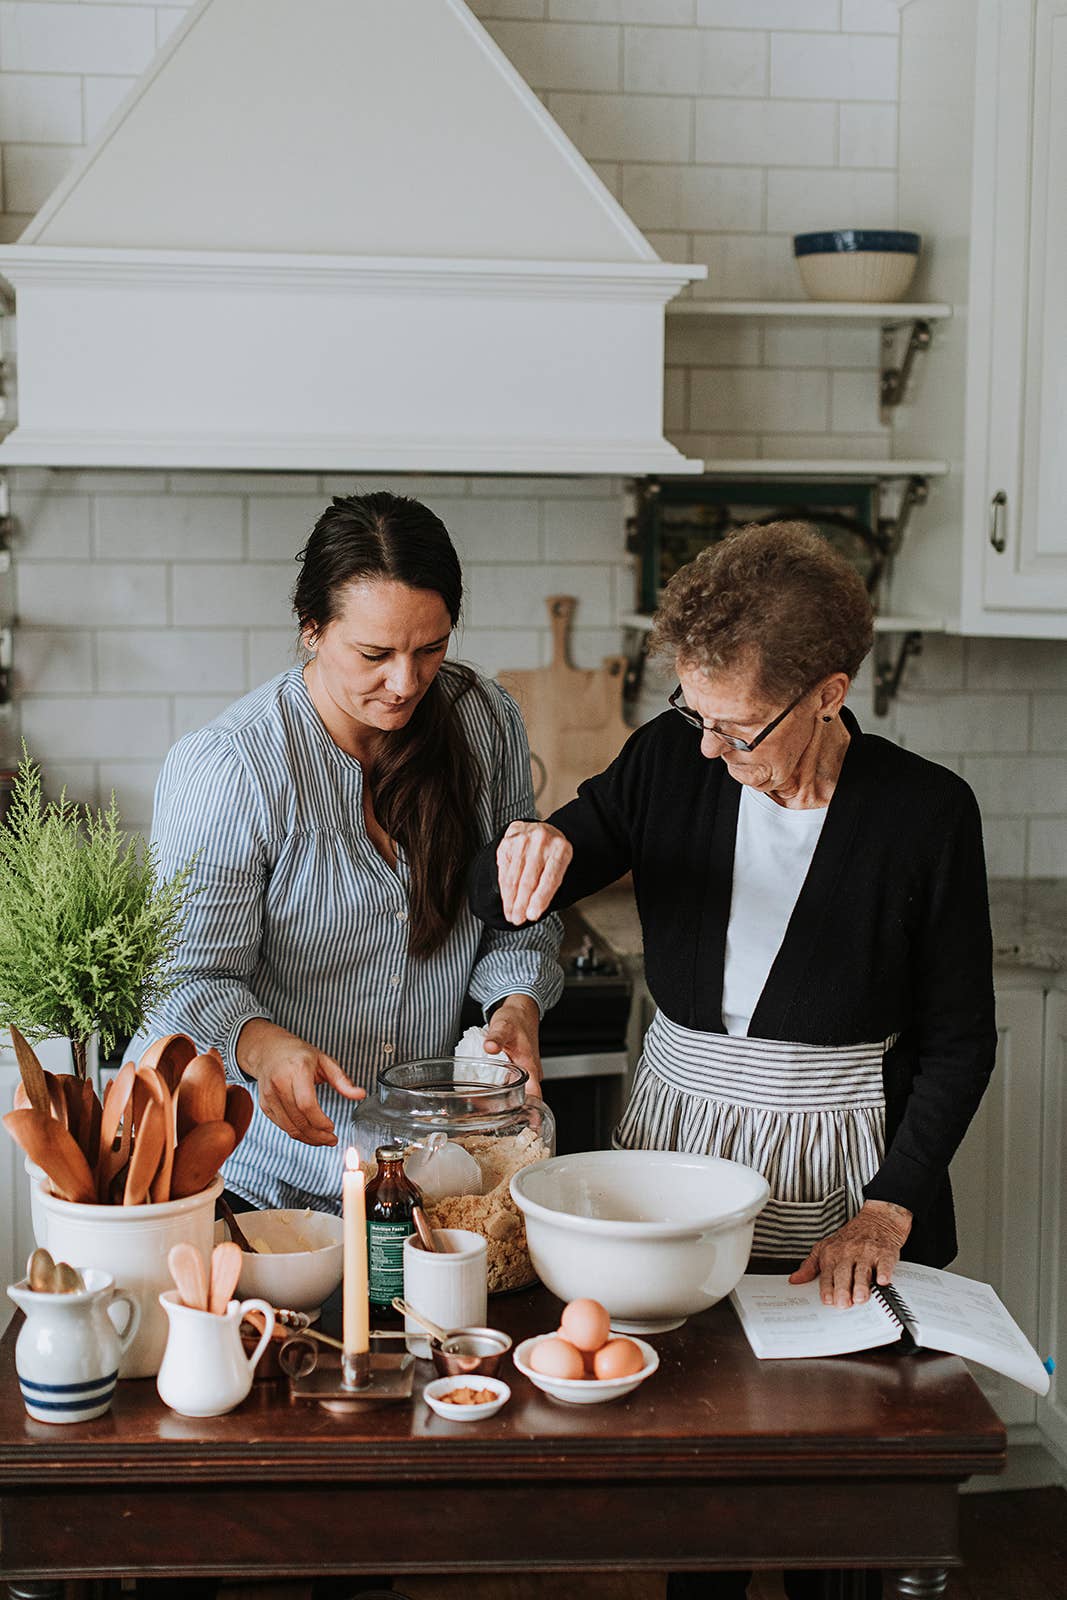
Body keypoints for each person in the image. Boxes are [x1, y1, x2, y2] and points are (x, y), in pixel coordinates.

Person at [469, 522, 996, 1600]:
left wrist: (890, 1206)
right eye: (692, 714)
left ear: (826, 693)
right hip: (679, 1162)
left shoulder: (924, 813)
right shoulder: (673, 759)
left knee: (839, 1507)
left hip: (848, 1173)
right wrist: (531, 852)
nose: (708, 749)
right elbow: (507, 895)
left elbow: (957, 1037)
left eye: (737, 726)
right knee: (693, 1485)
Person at [135, 491, 562, 1213]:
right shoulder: (233, 767)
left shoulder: (482, 720)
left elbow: (517, 905)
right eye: (374, 653)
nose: (405, 683)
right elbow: (182, 979)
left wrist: (514, 1006)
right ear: (311, 629)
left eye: (430, 649)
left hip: (422, 1172)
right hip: (256, 1176)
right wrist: (265, 1047)